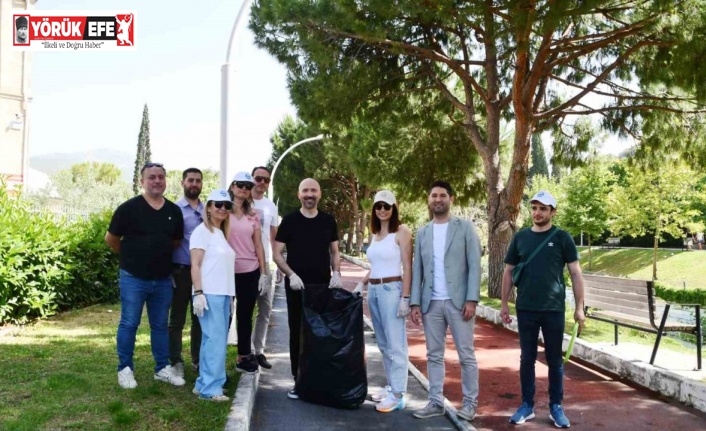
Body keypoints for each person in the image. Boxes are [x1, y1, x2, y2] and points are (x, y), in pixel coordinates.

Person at [500, 190, 585, 428]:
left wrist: (580, 308)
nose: (537, 212)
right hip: (525, 308)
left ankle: (556, 407)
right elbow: (508, 271)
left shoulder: (562, 238)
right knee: (527, 358)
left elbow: (576, 273)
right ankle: (527, 405)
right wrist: (505, 303)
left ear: (552, 212)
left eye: (543, 208)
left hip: (553, 309)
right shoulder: (521, 238)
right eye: (534, 208)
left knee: (555, 360)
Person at [105, 162, 186, 389]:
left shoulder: (173, 211)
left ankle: (162, 368)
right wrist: (131, 257)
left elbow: (175, 241)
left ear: (166, 180)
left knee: (160, 325)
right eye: (152, 177)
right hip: (133, 277)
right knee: (129, 323)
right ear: (142, 181)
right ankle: (125, 369)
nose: (157, 181)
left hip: (162, 279)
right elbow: (111, 239)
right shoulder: (128, 208)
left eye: (161, 177)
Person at [409, 180, 481, 422]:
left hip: (459, 303)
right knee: (434, 355)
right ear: (429, 200)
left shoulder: (465, 228)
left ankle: (470, 404)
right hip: (431, 304)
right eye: (433, 195)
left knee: (466, 354)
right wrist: (415, 303)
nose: (437, 199)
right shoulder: (422, 232)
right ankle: (435, 402)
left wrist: (472, 299)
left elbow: (475, 266)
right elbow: (417, 269)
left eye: (442, 195)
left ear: (451, 199)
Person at [273, 178, 342, 400]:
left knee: (320, 334)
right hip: (296, 288)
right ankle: (299, 380)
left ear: (320, 194)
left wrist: (337, 272)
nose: (309, 194)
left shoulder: (328, 221)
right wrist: (290, 274)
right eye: (305, 191)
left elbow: (334, 251)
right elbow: (276, 253)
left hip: (322, 287)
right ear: (299, 194)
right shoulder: (290, 221)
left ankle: (318, 379)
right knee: (297, 333)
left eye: (313, 190)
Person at [353, 190, 412, 413]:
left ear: (394, 208)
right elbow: (375, 266)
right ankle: (391, 386)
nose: (382, 210)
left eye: (387, 206)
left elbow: (407, 266)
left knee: (396, 343)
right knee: (384, 343)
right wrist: (362, 283)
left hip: (392, 289)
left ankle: (398, 394)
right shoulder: (376, 235)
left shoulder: (402, 231)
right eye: (379, 206)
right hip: (375, 291)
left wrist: (405, 298)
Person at [190, 189, 236, 402]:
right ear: (208, 207)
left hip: (223, 293)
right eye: (218, 204)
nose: (223, 209)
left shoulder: (220, 233)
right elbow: (195, 265)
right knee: (215, 341)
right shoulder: (202, 231)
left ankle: (204, 384)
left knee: (212, 341)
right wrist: (199, 292)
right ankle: (211, 389)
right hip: (210, 293)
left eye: (227, 206)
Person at [227, 172, 268, 375]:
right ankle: (214, 358)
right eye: (240, 184)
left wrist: (264, 272)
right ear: (232, 186)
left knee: (245, 315)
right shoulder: (221, 210)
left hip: (250, 271)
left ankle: (243, 356)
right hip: (225, 272)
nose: (244, 188)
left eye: (247, 185)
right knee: (224, 315)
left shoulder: (254, 215)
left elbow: (258, 244)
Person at [168, 168, 204, 378]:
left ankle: (198, 360)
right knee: (177, 320)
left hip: (201, 272)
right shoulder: (174, 209)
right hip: (180, 270)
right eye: (190, 180)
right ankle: (175, 361)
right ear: (182, 183)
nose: (194, 184)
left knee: (199, 318)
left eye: (198, 181)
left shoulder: (208, 209)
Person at [250, 166, 279, 369]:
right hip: (243, 263)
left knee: (265, 309)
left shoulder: (270, 206)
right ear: (252, 179)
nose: (262, 183)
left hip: (265, 265)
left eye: (266, 180)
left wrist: (278, 265)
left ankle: (258, 350)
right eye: (258, 178)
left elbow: (274, 237)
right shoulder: (241, 201)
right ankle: (245, 352)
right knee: (243, 309)